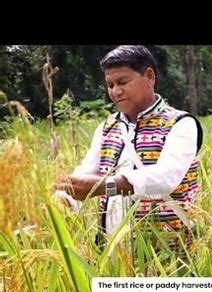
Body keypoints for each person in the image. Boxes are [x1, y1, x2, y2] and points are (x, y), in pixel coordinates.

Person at [54, 45, 203, 250]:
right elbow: (87, 174)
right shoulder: (107, 128)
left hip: (168, 254)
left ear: (149, 77)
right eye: (110, 84)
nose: (116, 91)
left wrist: (105, 186)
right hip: (113, 253)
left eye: (123, 82)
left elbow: (166, 177)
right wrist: (63, 197)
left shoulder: (181, 124)